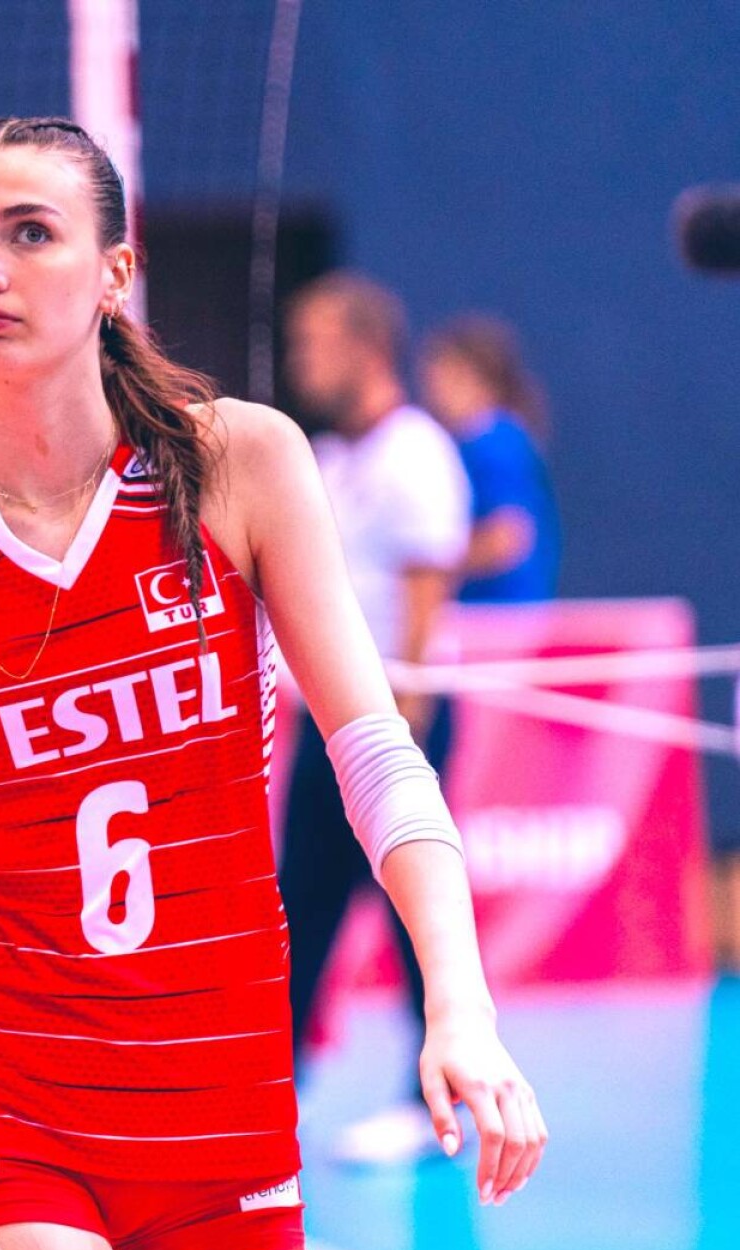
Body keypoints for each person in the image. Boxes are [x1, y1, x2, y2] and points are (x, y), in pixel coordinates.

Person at [0, 118, 546, 1250]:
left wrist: (460, 1005)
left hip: (219, 1096)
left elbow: (373, 754)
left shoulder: (236, 463)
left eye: (27, 233)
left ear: (114, 272)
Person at [277, 273, 473, 1166]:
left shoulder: (415, 452)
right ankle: (273, 1088)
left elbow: (426, 598)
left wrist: (407, 731)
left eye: (314, 342)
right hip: (332, 722)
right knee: (302, 905)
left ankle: (436, 1098)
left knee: (411, 906)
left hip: (394, 722)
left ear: (365, 347)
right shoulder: (326, 457)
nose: (300, 361)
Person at [417, 313, 561, 602]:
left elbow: (507, 537)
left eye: (442, 376)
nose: (432, 391)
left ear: (472, 377)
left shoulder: (494, 442)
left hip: (500, 616)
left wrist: (426, 564)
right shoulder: (480, 441)